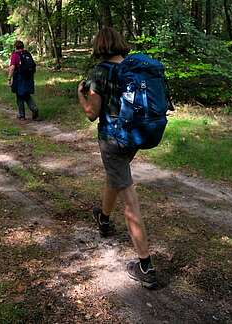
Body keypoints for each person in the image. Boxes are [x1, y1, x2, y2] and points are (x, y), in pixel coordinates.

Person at [77, 27, 159, 289]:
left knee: (129, 199)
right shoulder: (132, 66)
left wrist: (81, 94)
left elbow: (92, 113)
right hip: (135, 137)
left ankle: (145, 266)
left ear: (99, 45)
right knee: (116, 175)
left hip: (113, 140)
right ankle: (102, 217)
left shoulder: (99, 72)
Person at [8, 40, 39, 120]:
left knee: (19, 96)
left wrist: (9, 78)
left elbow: (12, 68)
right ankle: (34, 109)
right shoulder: (27, 54)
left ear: (15, 47)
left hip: (19, 79)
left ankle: (22, 115)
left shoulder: (15, 55)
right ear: (23, 46)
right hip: (29, 78)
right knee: (27, 95)